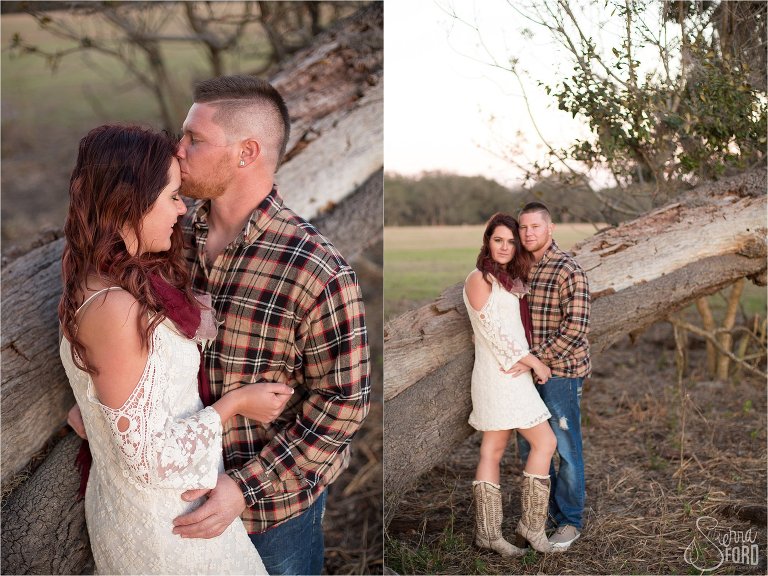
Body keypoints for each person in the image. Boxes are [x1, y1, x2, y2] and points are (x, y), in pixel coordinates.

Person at [58, 124, 297, 574]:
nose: (182, 208)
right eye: (171, 196)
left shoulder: (101, 273)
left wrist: (93, 414)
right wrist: (235, 404)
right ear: (130, 203)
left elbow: (123, 393)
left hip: (174, 512)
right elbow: (149, 460)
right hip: (170, 531)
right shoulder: (115, 305)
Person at [169, 75, 371, 575]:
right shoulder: (168, 240)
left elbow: (345, 404)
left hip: (270, 514)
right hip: (172, 493)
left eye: (195, 139)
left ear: (246, 152)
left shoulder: (316, 269)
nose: (178, 150)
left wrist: (245, 486)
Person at [462, 213, 557, 556]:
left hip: (510, 372)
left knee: (502, 448)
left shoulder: (508, 280)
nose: (504, 247)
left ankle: (517, 530)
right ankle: (512, 531)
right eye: (498, 240)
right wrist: (534, 362)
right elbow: (493, 333)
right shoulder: (478, 279)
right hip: (498, 375)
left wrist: (525, 360)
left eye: (510, 241)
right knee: (537, 443)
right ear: (487, 241)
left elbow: (512, 330)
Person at [509, 201, 591, 551]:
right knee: (531, 447)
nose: (529, 233)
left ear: (550, 228)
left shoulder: (568, 270)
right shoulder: (518, 270)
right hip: (526, 375)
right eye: (523, 228)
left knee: (567, 449)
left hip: (562, 375)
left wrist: (533, 360)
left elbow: (576, 329)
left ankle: (570, 521)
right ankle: (544, 517)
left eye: (535, 227)